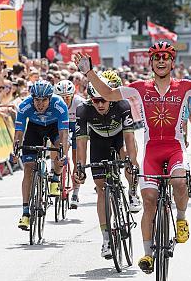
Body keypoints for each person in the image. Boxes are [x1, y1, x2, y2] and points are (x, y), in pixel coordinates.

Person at [74, 42, 191, 274]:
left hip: (174, 148)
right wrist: (89, 72)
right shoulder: (140, 87)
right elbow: (108, 94)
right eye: (157, 57)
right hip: (152, 150)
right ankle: (148, 254)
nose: (161, 61)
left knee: (180, 182)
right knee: (149, 200)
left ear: (172, 62)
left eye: (166, 57)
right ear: (151, 63)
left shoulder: (185, 86)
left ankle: (181, 218)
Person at [74, 79, 140, 259]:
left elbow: (129, 139)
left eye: (103, 99)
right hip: (98, 142)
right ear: (90, 100)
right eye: (96, 100)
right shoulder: (83, 110)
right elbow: (81, 143)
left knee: (127, 156)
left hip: (119, 138)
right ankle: (106, 238)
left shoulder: (122, 105)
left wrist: (131, 163)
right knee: (101, 189)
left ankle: (133, 192)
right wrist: (80, 167)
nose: (100, 104)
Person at [13, 80, 69, 231]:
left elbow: (64, 133)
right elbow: (19, 132)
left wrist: (63, 152)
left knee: (60, 148)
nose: (40, 104)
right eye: (37, 100)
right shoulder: (25, 105)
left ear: (50, 98)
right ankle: (25, 212)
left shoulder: (59, 104)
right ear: (32, 98)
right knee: (28, 169)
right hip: (34, 129)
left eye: (44, 100)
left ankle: (56, 178)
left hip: (54, 128)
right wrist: (15, 150)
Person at [53, 78, 85, 208]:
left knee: (77, 158)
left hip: (76, 126)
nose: (65, 100)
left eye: (68, 97)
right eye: (62, 97)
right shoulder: (54, 103)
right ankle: (53, 169)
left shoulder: (80, 103)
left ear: (73, 95)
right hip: (62, 127)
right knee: (56, 146)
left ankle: (76, 192)